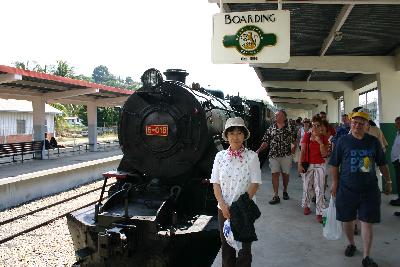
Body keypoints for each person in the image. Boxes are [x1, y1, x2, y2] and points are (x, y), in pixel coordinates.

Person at [329, 108, 392, 267]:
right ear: (350, 123)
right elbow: (335, 165)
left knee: (366, 222)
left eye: (361, 123)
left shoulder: (373, 142)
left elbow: (382, 164)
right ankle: (351, 243)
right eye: (354, 122)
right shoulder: (342, 141)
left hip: (369, 189)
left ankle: (366, 256)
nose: (357, 125)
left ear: (366, 125)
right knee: (347, 221)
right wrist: (335, 184)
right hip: (346, 188)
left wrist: (388, 181)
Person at [211, 117, 262, 267]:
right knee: (227, 248)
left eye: (239, 133)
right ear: (226, 136)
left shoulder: (252, 157)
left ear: (244, 135)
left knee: (245, 250)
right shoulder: (219, 157)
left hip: (244, 209)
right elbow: (215, 184)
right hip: (224, 210)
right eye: (232, 133)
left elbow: (255, 183)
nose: (235, 136)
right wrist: (223, 205)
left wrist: (239, 207)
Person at [256, 110, 296, 205]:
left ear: (284, 117)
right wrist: (259, 150)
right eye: (276, 115)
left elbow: (294, 141)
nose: (277, 117)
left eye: (279, 115)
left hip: (286, 155)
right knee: (275, 174)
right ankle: (276, 195)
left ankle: (285, 190)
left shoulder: (290, 128)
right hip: (273, 155)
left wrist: (293, 152)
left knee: (285, 174)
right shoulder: (271, 128)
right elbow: (266, 141)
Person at [298, 116, 328, 223]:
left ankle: (320, 212)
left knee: (319, 189)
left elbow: (324, 154)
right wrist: (300, 164)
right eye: (313, 125)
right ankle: (306, 205)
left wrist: (320, 142)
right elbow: (303, 150)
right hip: (308, 164)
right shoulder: (307, 135)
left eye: (317, 125)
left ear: (321, 127)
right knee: (307, 187)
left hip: (320, 165)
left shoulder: (324, 138)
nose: (315, 127)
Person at [390, 116, 400, 209]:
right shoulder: (398, 133)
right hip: (397, 162)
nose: (395, 124)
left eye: (397, 123)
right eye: (395, 122)